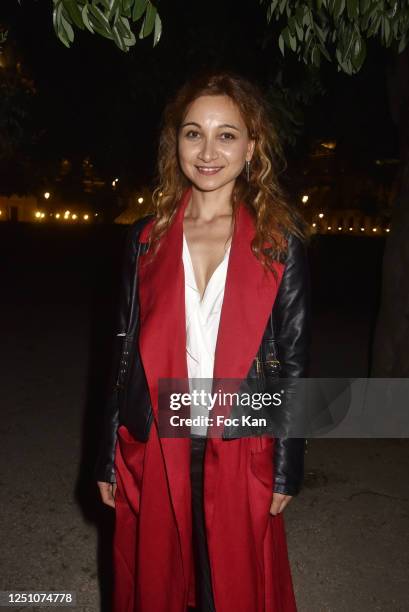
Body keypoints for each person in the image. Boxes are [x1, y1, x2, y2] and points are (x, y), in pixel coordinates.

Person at [95, 70, 311, 612]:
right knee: (160, 585)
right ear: (177, 143)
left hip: (240, 441)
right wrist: (105, 455)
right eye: (194, 133)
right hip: (157, 439)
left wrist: (288, 463)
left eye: (227, 134)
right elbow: (121, 352)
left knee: (228, 589)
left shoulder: (278, 241)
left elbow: (292, 360)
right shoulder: (147, 239)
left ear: (252, 146)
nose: (208, 150)